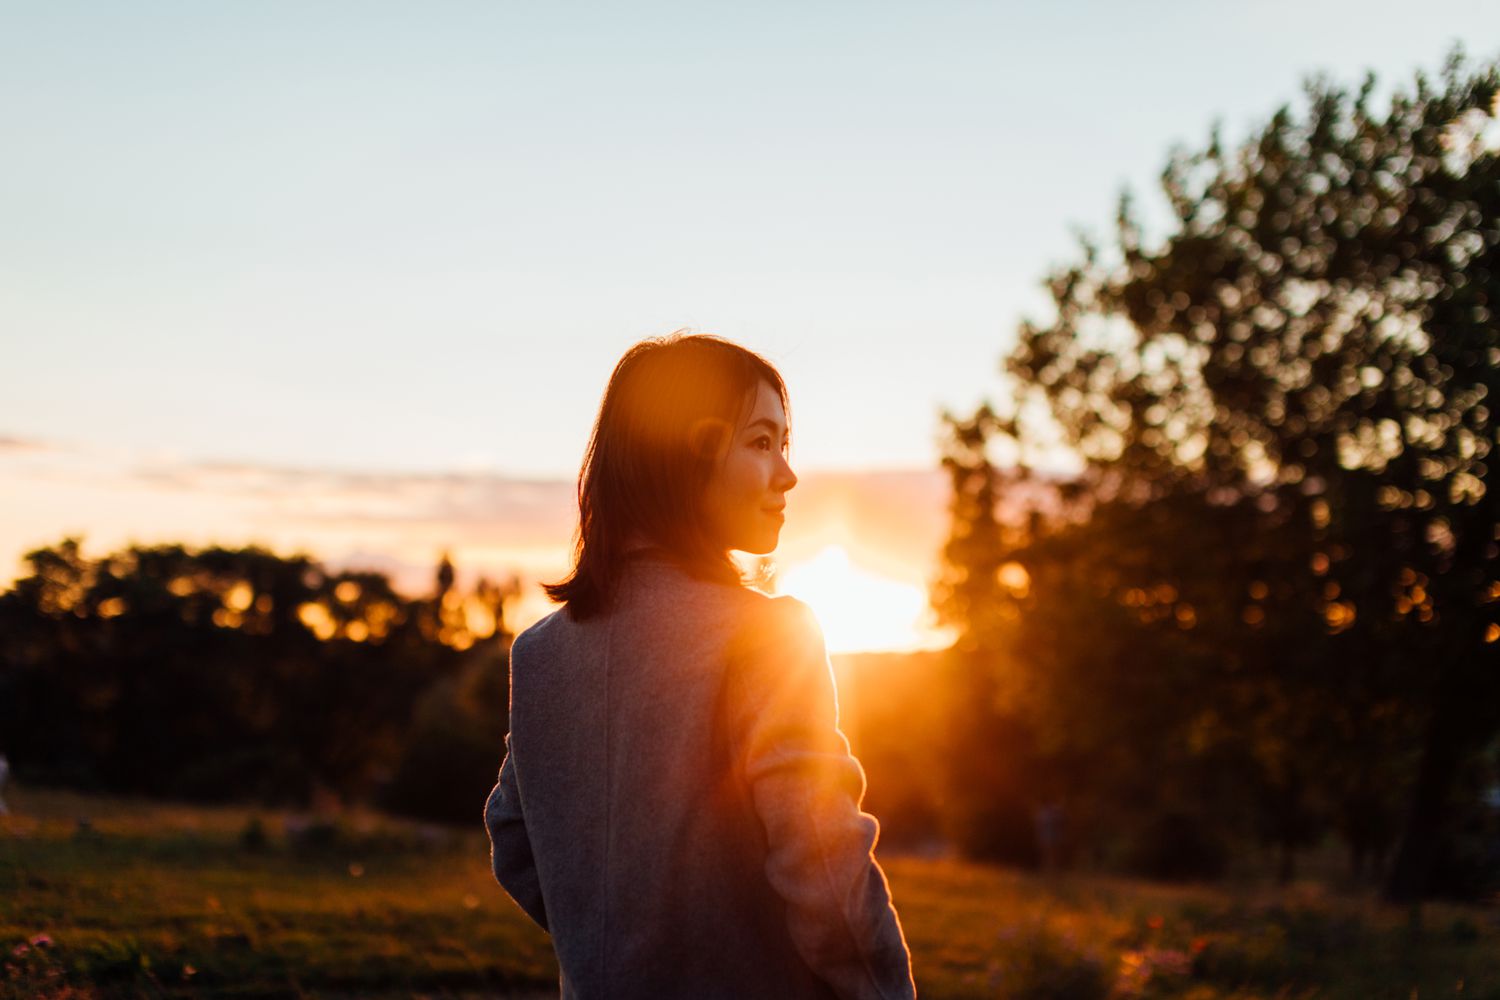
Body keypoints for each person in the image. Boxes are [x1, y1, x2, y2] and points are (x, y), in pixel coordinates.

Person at [483, 332, 917, 999]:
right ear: (691, 455)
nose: (788, 474)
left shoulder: (539, 654)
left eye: (785, 443)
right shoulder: (769, 635)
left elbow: (515, 838)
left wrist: (617, 950)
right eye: (762, 442)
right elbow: (826, 868)